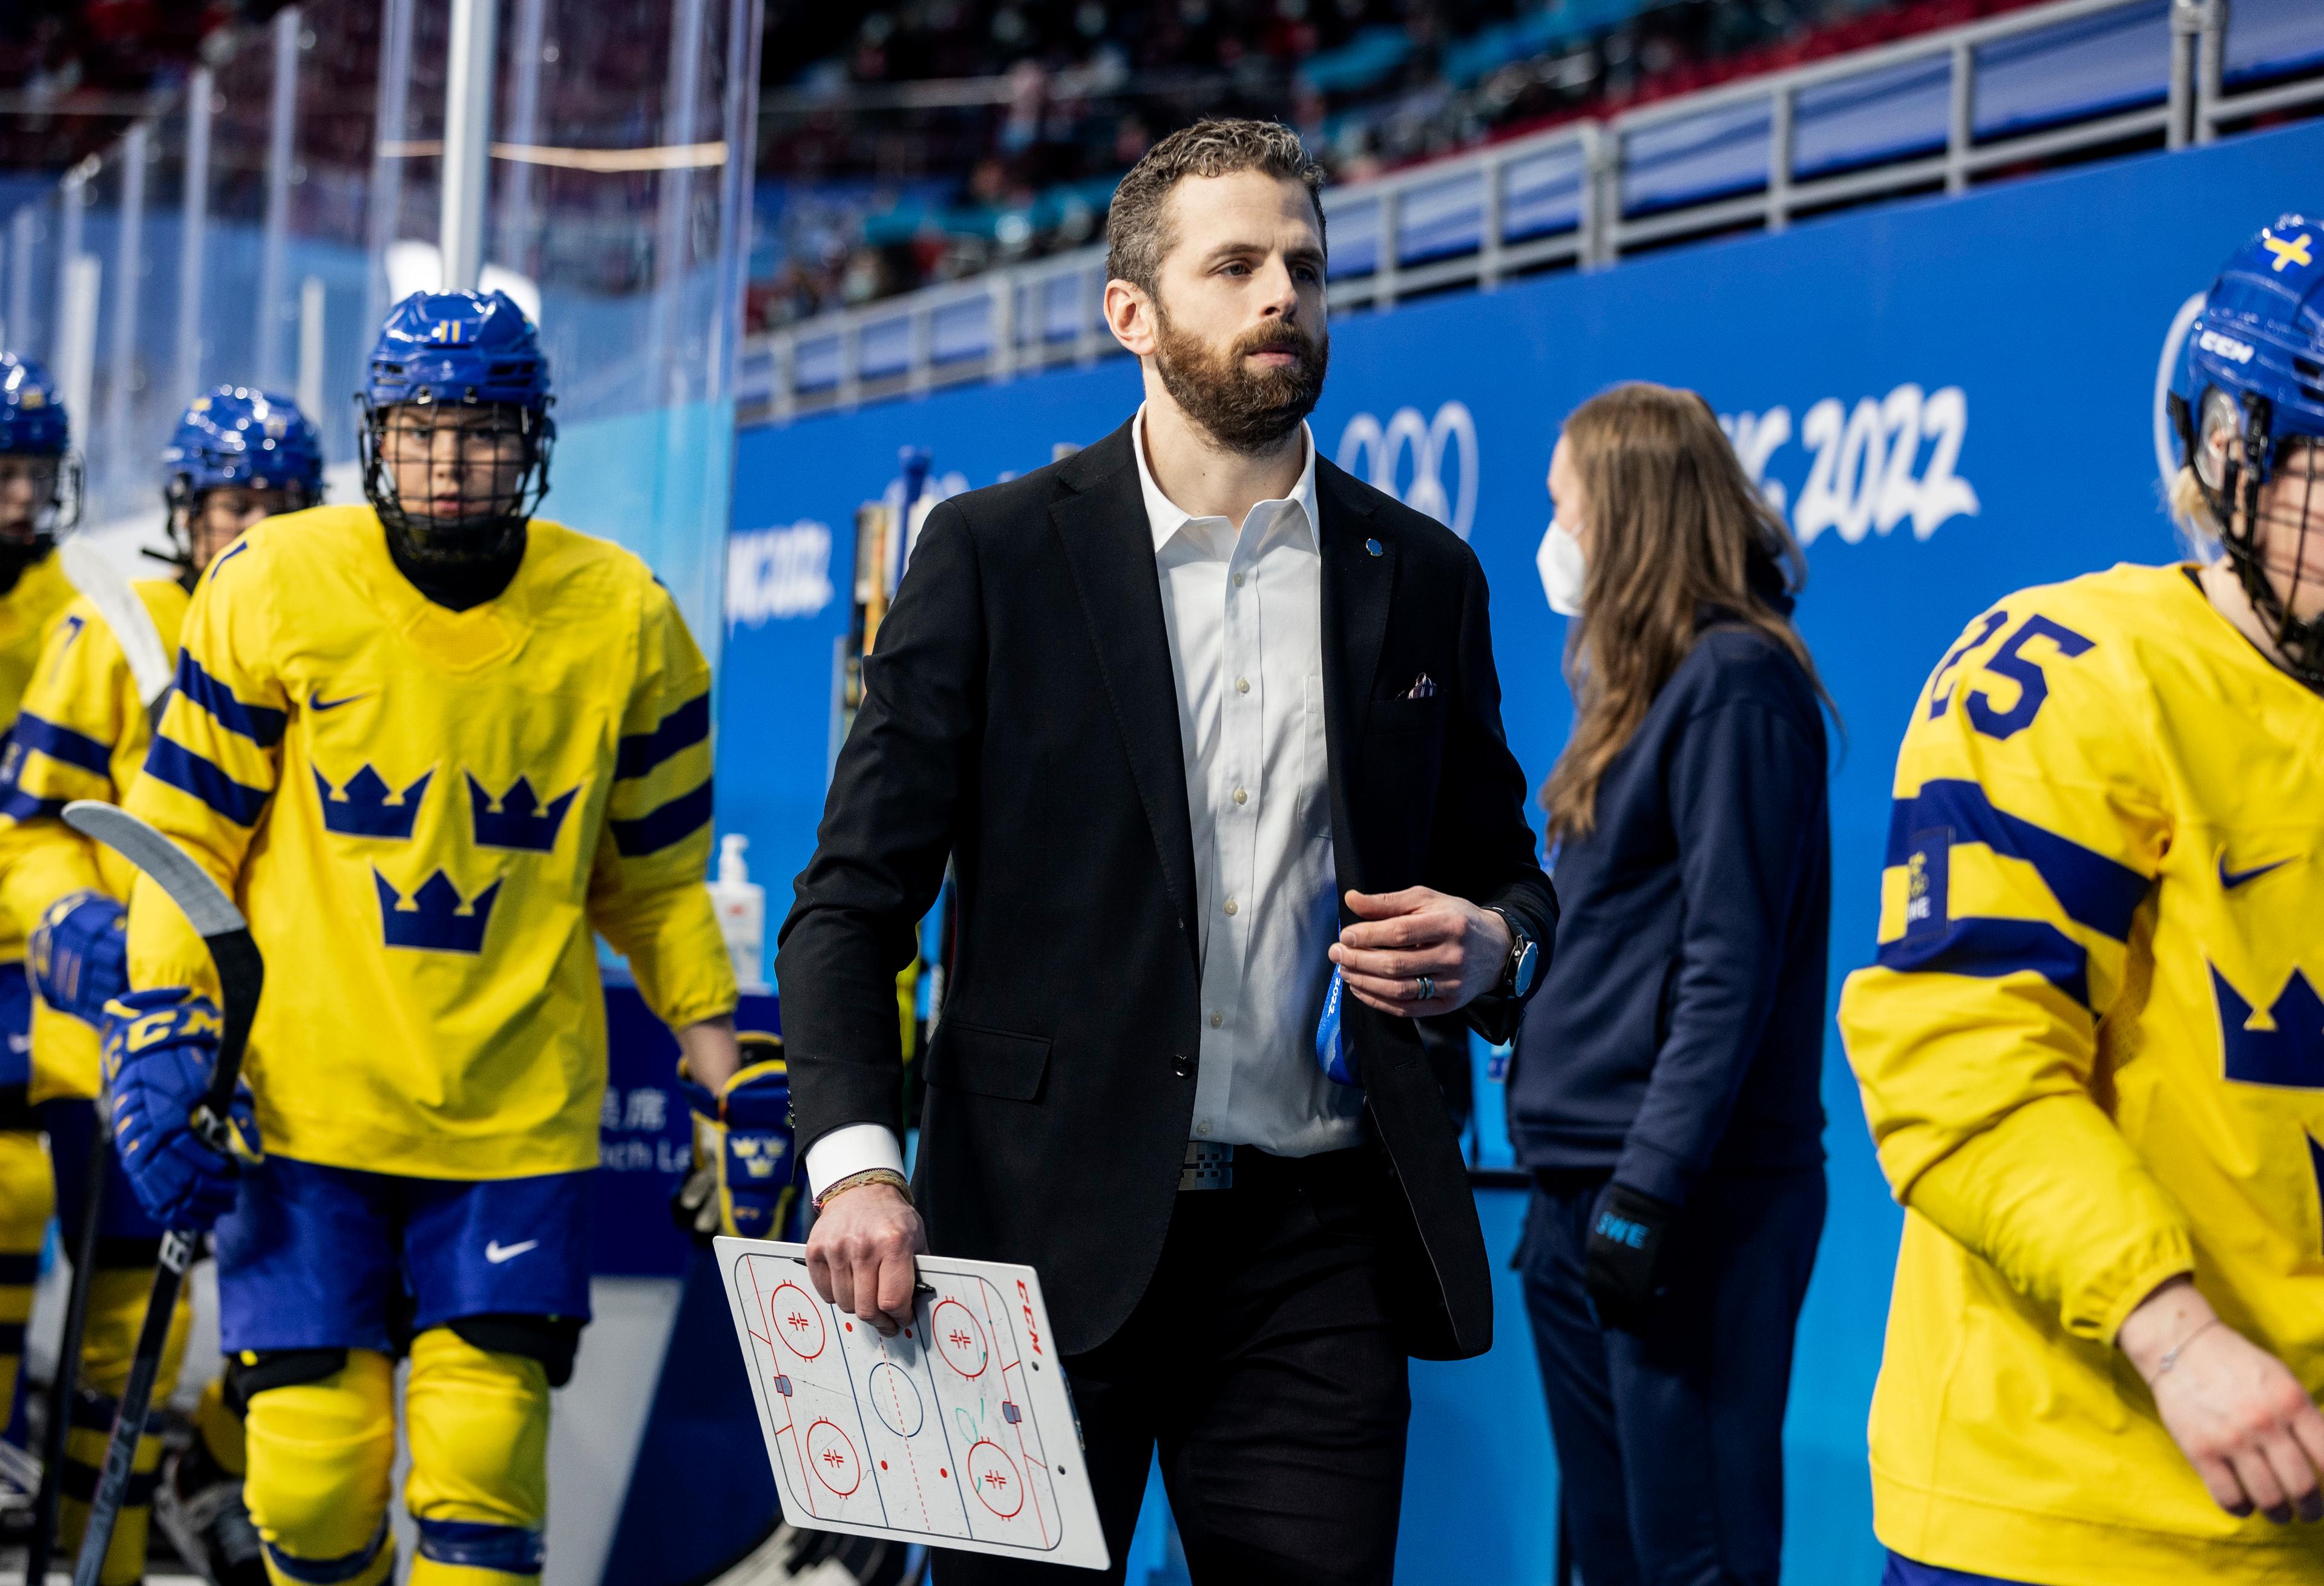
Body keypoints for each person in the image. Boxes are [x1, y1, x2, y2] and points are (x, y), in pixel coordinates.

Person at [777, 117, 1557, 1585]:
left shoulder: (1425, 575)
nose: (1285, 296)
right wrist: (857, 1169)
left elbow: (1509, 870)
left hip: (1317, 1245)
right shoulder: (996, 555)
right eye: (1239, 265)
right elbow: (849, 904)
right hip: (1029, 1241)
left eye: (1307, 268)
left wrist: (1495, 945)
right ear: (1132, 313)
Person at [101, 288, 749, 1586]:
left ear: (533, 441)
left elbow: (661, 886)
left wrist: (727, 1084)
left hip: (511, 1115)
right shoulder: (272, 583)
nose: (448, 461)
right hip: (303, 1104)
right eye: (418, 429)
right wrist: (164, 1027)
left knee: (483, 1463)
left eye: (482, 430)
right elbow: (183, 845)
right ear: (375, 436)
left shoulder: (627, 618)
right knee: (310, 1470)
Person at [1839, 213, 2324, 1586]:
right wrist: (2176, 1333)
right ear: (2235, 451)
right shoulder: (2077, 675)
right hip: (2070, 1512)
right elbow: (1963, 1069)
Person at [1508, 383, 1833, 1586]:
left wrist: (1648, 1185)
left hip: (1685, 1203)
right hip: (1579, 1189)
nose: (1553, 538)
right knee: (1615, 1557)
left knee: (1694, 1558)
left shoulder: (1740, 683)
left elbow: (1727, 962)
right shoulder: (1634, 691)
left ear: (1631, 513)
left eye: (1564, 508)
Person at [0, 384, 323, 1584]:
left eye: (277, 503)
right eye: (232, 501)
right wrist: (73, 922)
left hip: (300, 1049)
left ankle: (197, 1482)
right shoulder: (120, 629)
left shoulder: (329, 628)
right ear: (186, 509)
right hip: (138, 1043)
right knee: (125, 1326)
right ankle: (112, 1563)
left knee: (309, 1327)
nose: (250, 524)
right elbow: (25, 826)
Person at [0, 351, 88, 1451]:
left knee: (18, 1194)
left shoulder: (83, 611)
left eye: (36, 472)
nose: (22, 496)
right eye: (2, 472)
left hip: (30, 954)